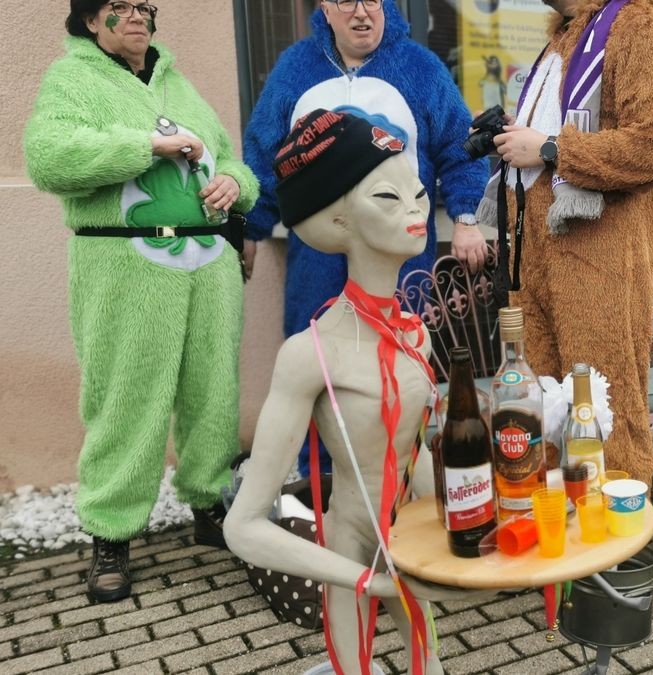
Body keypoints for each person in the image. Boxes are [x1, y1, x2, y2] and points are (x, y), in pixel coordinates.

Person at [226, 109, 486, 674]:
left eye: (419, 194)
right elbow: (242, 526)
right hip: (350, 555)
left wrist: (461, 530)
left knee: (430, 667)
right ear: (338, 221)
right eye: (388, 198)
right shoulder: (310, 355)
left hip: (412, 543)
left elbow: (416, 452)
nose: (416, 211)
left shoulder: (414, 332)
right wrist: (368, 580)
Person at [24, 0, 259, 602]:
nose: (137, 16)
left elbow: (229, 157)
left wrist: (237, 183)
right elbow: (49, 156)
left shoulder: (178, 82)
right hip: (127, 268)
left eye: (144, 6)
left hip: (207, 264)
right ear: (88, 20)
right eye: (119, 6)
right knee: (126, 394)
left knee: (213, 388)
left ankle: (209, 503)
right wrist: (144, 145)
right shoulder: (71, 78)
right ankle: (111, 532)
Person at [242, 0, 488, 475]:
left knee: (402, 361)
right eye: (345, 1)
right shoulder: (296, 67)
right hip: (317, 255)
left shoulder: (419, 66)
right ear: (324, 8)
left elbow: (464, 146)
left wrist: (465, 216)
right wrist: (249, 227)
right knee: (315, 357)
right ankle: (320, 483)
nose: (361, 13)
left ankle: (402, 477)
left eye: (371, 0)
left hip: (397, 256)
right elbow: (263, 152)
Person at [478, 0, 653, 486]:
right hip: (536, 260)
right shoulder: (564, 37)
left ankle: (619, 544)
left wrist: (554, 148)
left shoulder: (637, 24)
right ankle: (561, 531)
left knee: (605, 407)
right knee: (544, 408)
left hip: (599, 261)